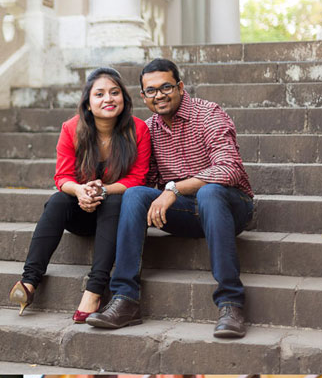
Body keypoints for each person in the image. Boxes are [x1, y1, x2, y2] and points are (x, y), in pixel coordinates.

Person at [87, 58, 254, 339]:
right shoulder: (148, 129)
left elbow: (229, 168)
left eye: (166, 87)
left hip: (230, 206)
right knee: (136, 193)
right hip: (187, 213)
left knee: (210, 191)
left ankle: (231, 303)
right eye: (151, 91)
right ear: (143, 96)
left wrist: (173, 190)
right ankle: (126, 299)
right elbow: (146, 180)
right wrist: (98, 188)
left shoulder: (208, 113)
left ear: (179, 86)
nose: (159, 95)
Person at [9, 66, 151, 322]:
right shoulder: (72, 128)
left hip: (117, 217)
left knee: (115, 199)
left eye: (114, 92)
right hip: (82, 212)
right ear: (88, 103)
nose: (108, 99)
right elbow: (61, 177)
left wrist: (103, 190)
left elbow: (139, 178)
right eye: (99, 94)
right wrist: (81, 191)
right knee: (57, 201)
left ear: (124, 98)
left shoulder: (138, 130)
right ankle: (29, 282)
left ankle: (95, 290)